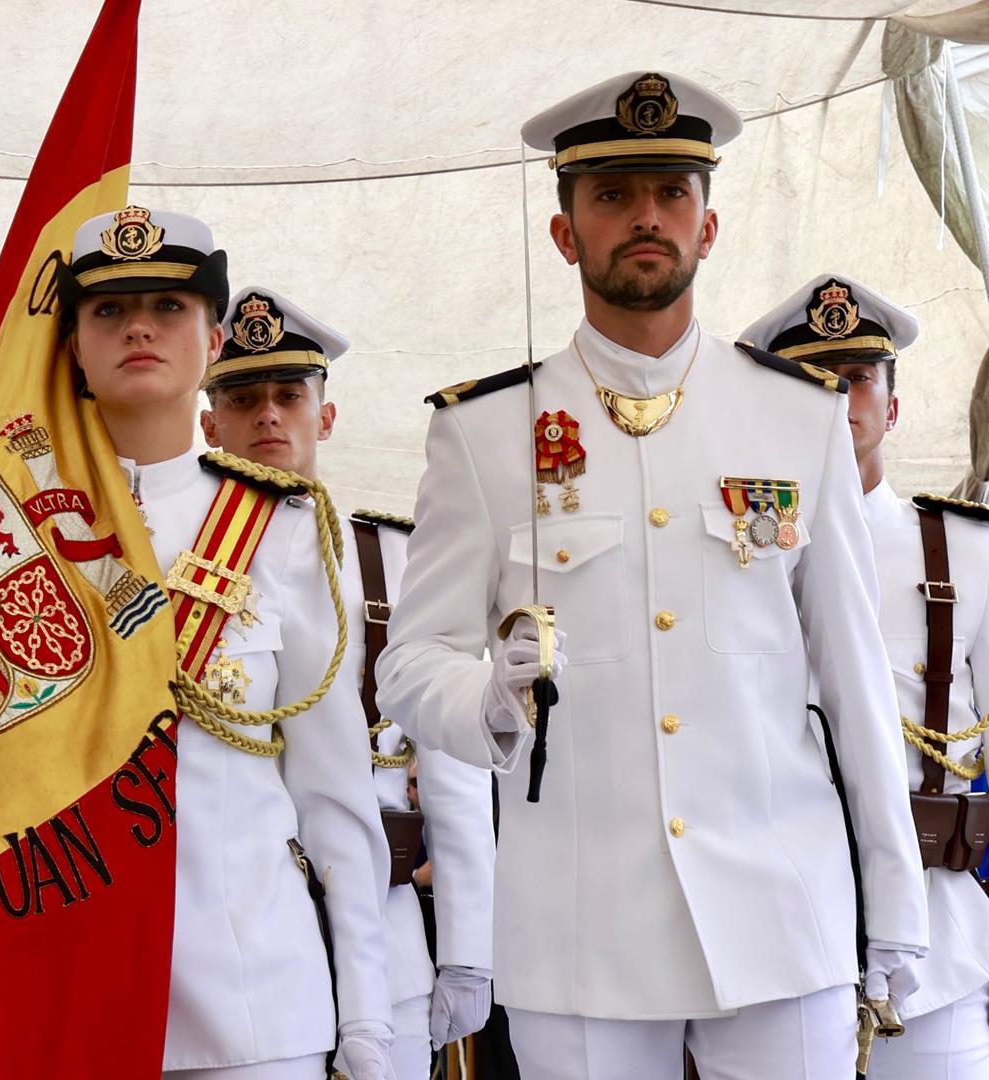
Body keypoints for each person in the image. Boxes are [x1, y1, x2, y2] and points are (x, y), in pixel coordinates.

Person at [374, 71, 927, 1080]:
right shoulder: (484, 431)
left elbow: (852, 680)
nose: (646, 217)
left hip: (779, 918)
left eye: (672, 192)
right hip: (581, 934)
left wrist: (895, 900)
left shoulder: (799, 416)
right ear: (565, 231)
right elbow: (411, 663)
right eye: (614, 194)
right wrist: (490, 695)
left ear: (708, 226)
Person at [44, 206, 395, 1080]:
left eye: (168, 307)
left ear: (211, 341)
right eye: (108, 311)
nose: (138, 328)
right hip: (56, 996)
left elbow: (334, 791)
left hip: (250, 1002)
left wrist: (368, 1012)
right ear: (75, 350)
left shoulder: (280, 527)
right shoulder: (11, 526)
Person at [200, 286, 496, 1079]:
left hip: (390, 931)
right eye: (242, 396)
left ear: (324, 418)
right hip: (232, 941)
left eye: (289, 396)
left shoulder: (390, 560)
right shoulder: (175, 568)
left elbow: (455, 767)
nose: (268, 416)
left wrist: (466, 945)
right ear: (208, 424)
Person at [743, 275, 989, 1079]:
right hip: (771, 929)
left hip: (937, 949)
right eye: (811, 381)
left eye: (855, 380)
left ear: (892, 405)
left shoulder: (966, 551)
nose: (835, 400)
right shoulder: (732, 548)